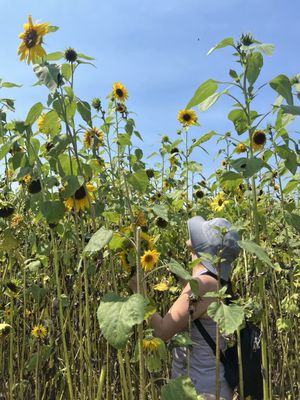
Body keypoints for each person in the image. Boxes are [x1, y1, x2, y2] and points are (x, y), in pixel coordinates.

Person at [129, 216, 240, 400]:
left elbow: (163, 331)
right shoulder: (218, 280)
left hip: (201, 391)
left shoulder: (203, 283)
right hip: (214, 384)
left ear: (205, 246)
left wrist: (139, 291)